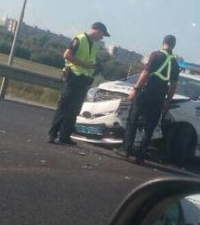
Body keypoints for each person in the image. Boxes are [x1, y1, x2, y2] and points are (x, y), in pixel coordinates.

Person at [120, 34, 180, 163]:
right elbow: (174, 86)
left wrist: (135, 89)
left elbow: (145, 73)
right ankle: (141, 156)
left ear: (163, 42)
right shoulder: (175, 63)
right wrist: (167, 102)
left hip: (146, 93)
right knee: (150, 127)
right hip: (159, 97)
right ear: (174, 46)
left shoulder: (156, 55)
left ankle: (126, 149)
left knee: (133, 120)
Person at [48, 21, 110, 144]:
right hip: (73, 77)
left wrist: (94, 67)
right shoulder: (79, 39)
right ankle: (53, 134)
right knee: (64, 107)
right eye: (102, 34)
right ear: (96, 30)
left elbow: (89, 59)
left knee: (75, 110)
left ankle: (65, 136)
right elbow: (67, 55)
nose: (102, 37)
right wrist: (87, 65)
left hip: (84, 79)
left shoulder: (95, 44)